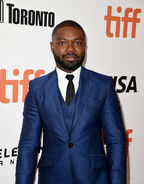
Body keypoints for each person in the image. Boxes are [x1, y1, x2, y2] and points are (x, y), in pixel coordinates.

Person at [16, 20, 126, 184]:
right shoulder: (37, 88)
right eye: (62, 43)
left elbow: (115, 141)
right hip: (52, 178)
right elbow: (28, 145)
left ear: (85, 47)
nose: (70, 49)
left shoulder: (103, 85)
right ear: (52, 47)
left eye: (77, 43)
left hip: (95, 178)